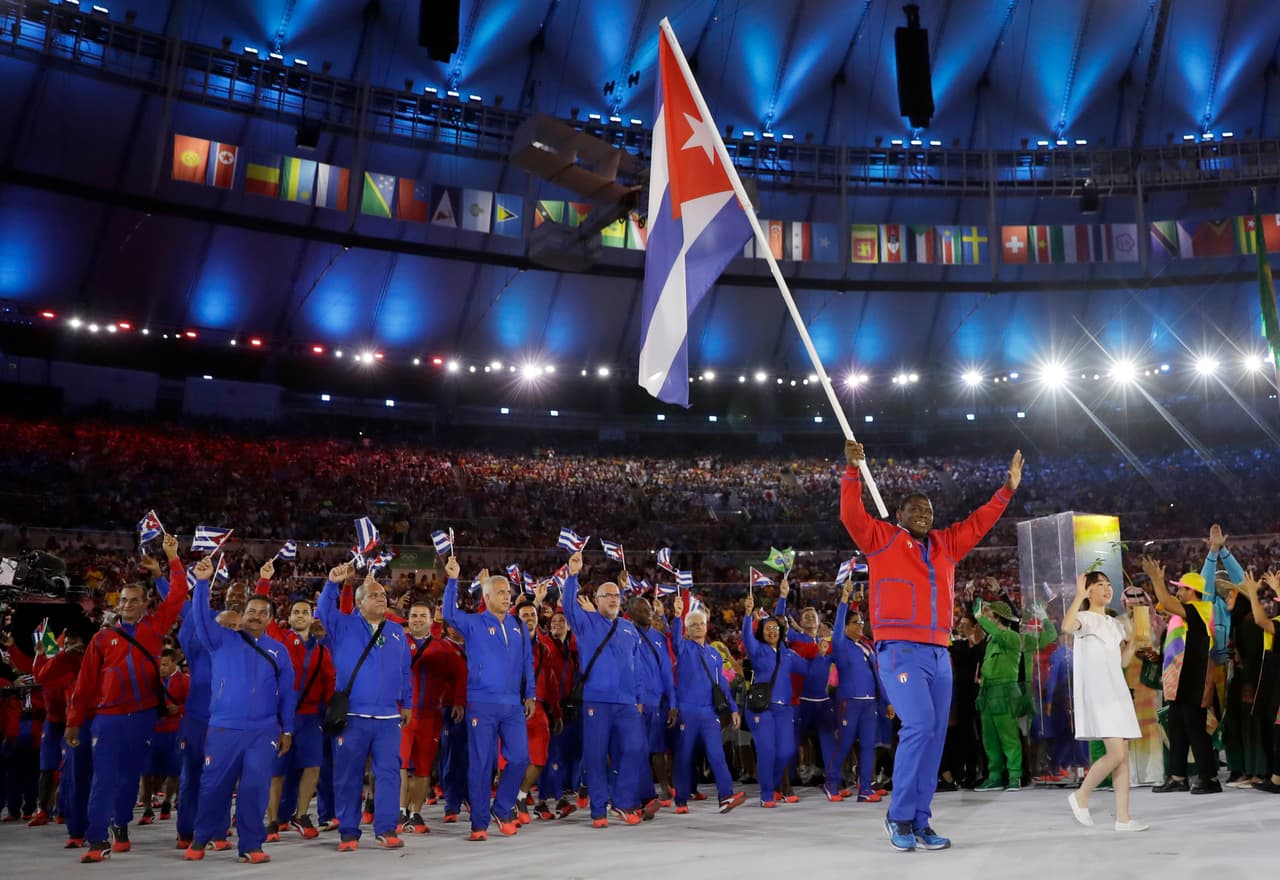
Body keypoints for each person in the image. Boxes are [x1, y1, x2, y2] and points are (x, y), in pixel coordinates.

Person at [841, 440, 1021, 852]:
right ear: (901, 515)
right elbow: (851, 515)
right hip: (900, 648)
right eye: (916, 510)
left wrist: (1006, 490)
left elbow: (979, 522)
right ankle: (897, 816)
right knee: (919, 726)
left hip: (940, 653)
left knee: (935, 736)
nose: (924, 515)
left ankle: (921, 820)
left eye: (929, 510)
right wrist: (852, 473)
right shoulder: (882, 538)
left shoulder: (946, 545)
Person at [65, 533, 189, 863]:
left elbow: (179, 595)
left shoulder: (155, 628)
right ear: (117, 603)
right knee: (103, 776)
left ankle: (121, 824)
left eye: (135, 599)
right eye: (124, 600)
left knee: (130, 775)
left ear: (146, 603)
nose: (129, 604)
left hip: (144, 715)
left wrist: (170, 562)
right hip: (108, 718)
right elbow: (85, 684)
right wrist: (75, 721)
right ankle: (96, 838)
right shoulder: (103, 639)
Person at [183, 556, 296, 864]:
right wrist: (203, 583)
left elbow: (287, 693)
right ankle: (201, 837)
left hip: (263, 731)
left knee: (255, 788)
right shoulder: (221, 640)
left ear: (271, 618)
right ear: (242, 614)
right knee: (213, 786)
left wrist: (287, 728)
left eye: (263, 613)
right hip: (223, 729)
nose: (256, 616)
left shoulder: (279, 651)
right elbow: (202, 619)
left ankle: (251, 844)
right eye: (251, 611)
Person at [317, 562, 412, 851]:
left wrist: (406, 703)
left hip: (388, 717)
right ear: (359, 602)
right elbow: (323, 612)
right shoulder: (342, 626)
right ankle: (348, 830)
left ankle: (386, 828)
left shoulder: (397, 632)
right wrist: (332, 584)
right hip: (353, 716)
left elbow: (405, 672)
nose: (381, 599)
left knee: (388, 774)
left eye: (383, 595)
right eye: (373, 595)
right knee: (348, 775)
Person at [441, 557, 534, 841]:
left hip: (512, 705)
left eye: (509, 592)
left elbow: (528, 662)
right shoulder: (473, 623)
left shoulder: (519, 627)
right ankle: (479, 823)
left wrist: (530, 693)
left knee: (520, 758)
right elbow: (448, 613)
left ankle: (502, 808)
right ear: (488, 596)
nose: (508, 597)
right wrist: (453, 580)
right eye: (502, 592)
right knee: (481, 763)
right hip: (482, 702)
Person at [560, 550, 651, 827]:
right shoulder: (585, 622)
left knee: (636, 748)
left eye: (616, 595)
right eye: (606, 595)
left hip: (626, 703)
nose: (613, 599)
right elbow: (567, 605)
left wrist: (638, 697)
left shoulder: (629, 628)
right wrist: (572, 575)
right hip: (596, 701)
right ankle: (598, 810)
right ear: (596, 600)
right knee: (596, 755)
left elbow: (636, 666)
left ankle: (622, 802)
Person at [1061, 572, 1148, 832]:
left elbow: (1121, 662)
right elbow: (1066, 626)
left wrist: (1134, 642)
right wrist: (1078, 596)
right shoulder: (1085, 620)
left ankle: (1123, 818)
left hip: (1117, 691)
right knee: (1116, 753)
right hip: (1100, 694)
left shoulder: (1114, 624)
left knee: (1122, 757)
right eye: (1100, 585)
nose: (1107, 588)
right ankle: (1081, 795)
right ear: (1088, 591)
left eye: (1108, 584)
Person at [254, 564, 334, 842]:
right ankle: (272, 820)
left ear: (313, 618)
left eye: (305, 612)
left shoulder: (323, 650)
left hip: (311, 717)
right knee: (276, 771)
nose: (301, 615)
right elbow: (261, 612)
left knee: (313, 766)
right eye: (296, 612)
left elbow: (329, 684)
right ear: (288, 617)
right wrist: (264, 581)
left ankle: (301, 814)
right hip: (280, 717)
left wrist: (331, 713)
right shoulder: (279, 639)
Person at [1142, 557, 1220, 794]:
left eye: (1182, 588)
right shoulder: (1183, 614)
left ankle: (1210, 778)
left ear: (1193, 591)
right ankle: (1177, 777)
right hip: (1178, 678)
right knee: (1177, 726)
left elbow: (1165, 601)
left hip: (1192, 677)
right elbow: (1163, 607)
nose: (1178, 591)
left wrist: (1156, 579)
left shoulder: (1202, 609)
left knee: (1194, 727)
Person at [668, 594, 746, 814]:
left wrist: (733, 708)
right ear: (687, 629)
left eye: (702, 623)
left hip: (709, 713)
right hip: (687, 712)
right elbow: (674, 639)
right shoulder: (683, 649)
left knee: (717, 755)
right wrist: (676, 615)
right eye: (694, 624)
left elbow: (721, 684)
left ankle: (726, 796)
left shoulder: (713, 653)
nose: (700, 627)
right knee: (684, 757)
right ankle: (681, 799)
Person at [741, 588, 808, 807]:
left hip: (784, 709)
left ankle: (776, 783)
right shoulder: (757, 649)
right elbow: (746, 637)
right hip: (762, 708)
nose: (772, 631)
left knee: (787, 750)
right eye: (768, 628)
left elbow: (807, 668)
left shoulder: (787, 653)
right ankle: (767, 793)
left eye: (775, 628)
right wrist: (748, 614)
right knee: (767, 750)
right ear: (762, 631)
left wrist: (823, 651)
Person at [831, 581, 891, 802]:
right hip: (849, 702)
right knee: (845, 744)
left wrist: (886, 702)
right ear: (846, 627)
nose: (861, 626)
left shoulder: (867, 646)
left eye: (862, 622)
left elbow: (878, 677)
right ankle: (831, 783)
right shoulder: (840, 643)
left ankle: (865, 789)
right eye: (856, 623)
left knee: (869, 746)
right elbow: (837, 626)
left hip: (869, 704)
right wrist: (844, 599)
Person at [515, 585, 562, 823]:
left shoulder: (544, 648)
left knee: (540, 758)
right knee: (511, 759)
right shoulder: (508, 642)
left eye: (532, 615)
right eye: (524, 615)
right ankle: (508, 801)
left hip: (539, 709)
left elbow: (551, 681)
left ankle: (520, 795)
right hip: (512, 707)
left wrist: (557, 712)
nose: (529, 619)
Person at [629, 595, 677, 812]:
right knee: (636, 749)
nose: (647, 612)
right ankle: (637, 794)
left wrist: (673, 703)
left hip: (655, 703)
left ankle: (665, 789)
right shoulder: (625, 634)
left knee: (657, 749)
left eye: (648, 608)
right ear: (630, 613)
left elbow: (667, 672)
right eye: (641, 610)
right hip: (633, 703)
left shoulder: (658, 637)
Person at [398, 599, 440, 834]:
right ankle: (400, 811)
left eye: (422, 616)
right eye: (413, 616)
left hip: (430, 715)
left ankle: (416, 813)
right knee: (401, 765)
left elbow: (457, 676)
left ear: (431, 620)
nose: (417, 620)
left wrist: (456, 701)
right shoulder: (398, 643)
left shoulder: (441, 647)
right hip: (402, 714)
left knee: (423, 768)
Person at [974, 600, 1025, 791]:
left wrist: (979, 618)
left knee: (1009, 737)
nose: (986, 618)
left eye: (989, 615)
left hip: (1005, 693)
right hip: (988, 694)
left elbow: (997, 632)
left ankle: (1015, 777)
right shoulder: (991, 641)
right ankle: (995, 776)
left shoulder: (1011, 637)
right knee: (990, 739)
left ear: (997, 618)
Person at [139, 648, 187, 826]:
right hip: (152, 731)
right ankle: (147, 808)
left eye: (165, 664)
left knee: (174, 771)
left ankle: (167, 802)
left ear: (174, 663)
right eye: (160, 664)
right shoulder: (151, 681)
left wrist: (179, 709)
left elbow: (194, 704)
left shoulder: (185, 681)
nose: (162, 668)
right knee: (146, 771)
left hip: (174, 731)